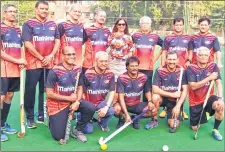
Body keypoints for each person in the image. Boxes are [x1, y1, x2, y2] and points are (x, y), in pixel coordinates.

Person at [22, 1, 60, 128]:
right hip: (33, 64)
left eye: (46, 9)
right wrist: (41, 57)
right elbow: (27, 44)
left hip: (49, 63)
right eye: (42, 8)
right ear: (36, 9)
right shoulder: (28, 24)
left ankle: (42, 114)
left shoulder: (52, 24)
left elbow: (57, 42)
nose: (44, 11)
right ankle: (30, 117)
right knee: (30, 91)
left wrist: (50, 56)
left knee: (46, 90)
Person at [46, 46, 95, 142]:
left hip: (73, 101)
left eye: (73, 54)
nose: (72, 56)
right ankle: (52, 120)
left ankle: (77, 130)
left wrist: (77, 101)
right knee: (58, 136)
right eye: (69, 54)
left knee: (90, 108)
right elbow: (49, 94)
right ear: (62, 56)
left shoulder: (78, 69)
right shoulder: (54, 71)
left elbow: (80, 87)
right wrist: (70, 99)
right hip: (58, 104)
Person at [1, 4, 27, 142]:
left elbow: (21, 47)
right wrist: (17, 60)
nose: (13, 14)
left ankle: (2, 123)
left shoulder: (18, 29)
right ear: (4, 14)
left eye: (14, 12)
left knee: (9, 96)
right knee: (1, 97)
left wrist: (22, 60)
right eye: (10, 11)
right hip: (3, 69)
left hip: (15, 70)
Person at [186, 46, 224, 141]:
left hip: (209, 98)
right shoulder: (191, 68)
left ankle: (215, 129)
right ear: (197, 56)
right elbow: (193, 86)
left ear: (209, 56)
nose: (203, 57)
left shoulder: (213, 66)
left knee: (220, 106)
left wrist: (220, 98)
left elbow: (218, 83)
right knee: (194, 127)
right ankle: (207, 114)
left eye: (206, 55)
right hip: (195, 101)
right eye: (201, 55)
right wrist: (209, 78)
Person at [113, 56, 157, 129]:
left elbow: (147, 91)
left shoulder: (143, 77)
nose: (135, 68)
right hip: (124, 104)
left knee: (154, 111)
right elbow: (121, 98)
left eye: (136, 66)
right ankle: (122, 118)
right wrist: (126, 114)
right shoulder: (122, 78)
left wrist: (150, 101)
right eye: (132, 66)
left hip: (136, 104)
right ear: (127, 67)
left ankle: (135, 118)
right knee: (116, 109)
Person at [150, 51, 188, 132]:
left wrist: (178, 106)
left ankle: (175, 112)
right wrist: (172, 94)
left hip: (175, 102)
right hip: (164, 98)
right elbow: (155, 89)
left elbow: (185, 91)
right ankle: (154, 120)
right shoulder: (160, 70)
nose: (172, 62)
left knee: (172, 124)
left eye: (174, 59)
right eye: (169, 59)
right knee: (155, 97)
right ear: (166, 60)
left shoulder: (182, 71)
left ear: (177, 60)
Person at [160, 17, 190, 119]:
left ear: (183, 26)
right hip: (169, 67)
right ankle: (165, 108)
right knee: (167, 86)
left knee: (182, 89)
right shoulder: (168, 38)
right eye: (177, 25)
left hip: (182, 69)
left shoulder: (187, 37)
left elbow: (190, 50)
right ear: (173, 26)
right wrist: (162, 65)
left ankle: (181, 109)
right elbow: (164, 52)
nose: (178, 26)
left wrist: (189, 61)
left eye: (180, 25)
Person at [81, 51, 115, 133]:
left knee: (111, 110)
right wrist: (87, 109)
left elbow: (112, 91)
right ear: (96, 61)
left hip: (100, 103)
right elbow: (82, 92)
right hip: (89, 104)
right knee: (88, 131)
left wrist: (106, 107)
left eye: (106, 61)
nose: (104, 63)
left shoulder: (110, 74)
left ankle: (102, 123)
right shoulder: (88, 74)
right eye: (101, 61)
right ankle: (84, 117)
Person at [132, 16, 163, 103]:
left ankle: (146, 105)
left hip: (148, 66)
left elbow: (165, 46)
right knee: (135, 86)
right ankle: (135, 104)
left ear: (150, 25)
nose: (145, 25)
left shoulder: (155, 36)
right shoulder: (135, 35)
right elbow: (128, 44)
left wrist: (155, 58)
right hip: (135, 66)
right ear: (140, 25)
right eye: (143, 23)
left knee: (147, 86)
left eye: (147, 23)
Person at [82, 9, 110, 73]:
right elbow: (80, 45)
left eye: (104, 17)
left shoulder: (107, 31)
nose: (102, 18)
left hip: (102, 64)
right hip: (89, 64)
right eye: (101, 16)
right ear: (95, 17)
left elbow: (108, 46)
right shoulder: (88, 30)